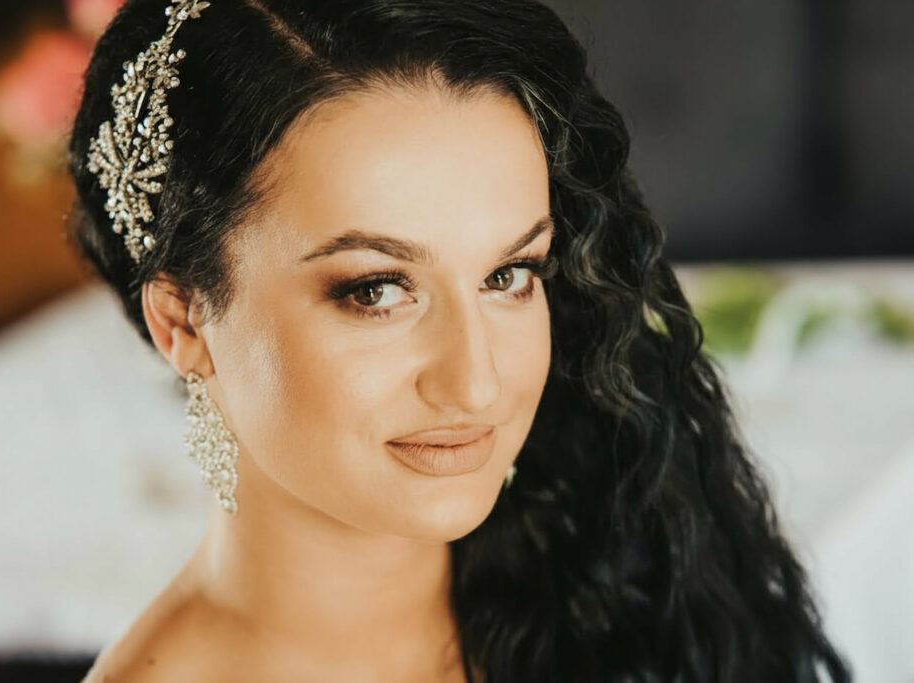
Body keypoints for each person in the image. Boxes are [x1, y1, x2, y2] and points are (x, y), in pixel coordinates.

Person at [68, 0, 851, 680]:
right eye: (376, 290)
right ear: (184, 320)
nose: (476, 384)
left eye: (510, 274)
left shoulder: (625, 593)